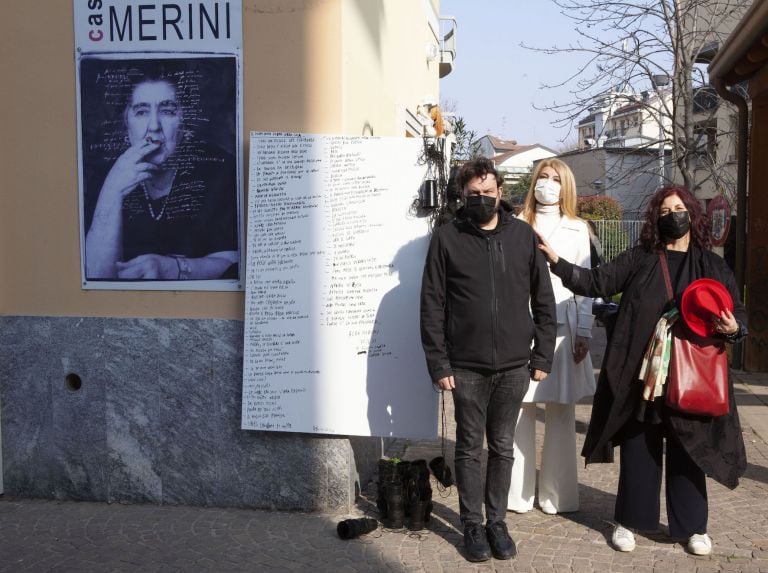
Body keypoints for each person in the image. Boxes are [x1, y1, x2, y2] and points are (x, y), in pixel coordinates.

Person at [536, 185, 747, 556]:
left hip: (693, 375)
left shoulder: (712, 265)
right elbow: (596, 282)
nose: (672, 216)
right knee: (640, 448)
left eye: (679, 209)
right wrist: (557, 261)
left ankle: (693, 528)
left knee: (688, 450)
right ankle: (629, 521)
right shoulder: (641, 258)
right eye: (665, 211)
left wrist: (734, 329)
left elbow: (737, 314)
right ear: (655, 218)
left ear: (692, 215)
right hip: (644, 374)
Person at [420, 157, 556, 562]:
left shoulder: (523, 236)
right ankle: (472, 525)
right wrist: (439, 363)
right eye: (474, 194)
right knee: (467, 447)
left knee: (502, 447)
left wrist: (543, 353)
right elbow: (432, 304)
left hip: (514, 366)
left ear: (501, 192)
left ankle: (498, 522)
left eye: (488, 192)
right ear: (464, 195)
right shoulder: (447, 238)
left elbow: (543, 300)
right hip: (465, 365)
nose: (482, 199)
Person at [85, 68, 239, 280]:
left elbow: (235, 263)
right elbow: (97, 275)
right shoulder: (105, 177)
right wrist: (112, 191)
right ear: (126, 122)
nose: (154, 126)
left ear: (183, 121)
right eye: (141, 112)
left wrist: (173, 268)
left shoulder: (221, 170)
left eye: (167, 111)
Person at [507, 159, 596, 515]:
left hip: (565, 327)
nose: (547, 184)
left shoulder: (577, 228)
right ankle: (517, 494)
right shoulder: (515, 224)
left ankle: (557, 495)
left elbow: (586, 282)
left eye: (555, 179)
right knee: (518, 411)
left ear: (566, 186)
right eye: (542, 177)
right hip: (521, 326)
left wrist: (585, 331)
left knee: (561, 413)